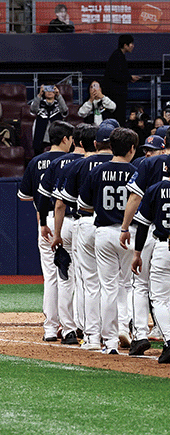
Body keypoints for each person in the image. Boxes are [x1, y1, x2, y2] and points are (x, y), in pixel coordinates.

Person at [120, 126, 170, 355]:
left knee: (141, 286)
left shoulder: (147, 163)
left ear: (164, 142)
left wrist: (125, 227)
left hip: (150, 230)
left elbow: (134, 196)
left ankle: (140, 335)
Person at [77, 127, 139, 355]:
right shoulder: (136, 170)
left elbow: (84, 205)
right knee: (128, 286)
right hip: (128, 233)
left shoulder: (97, 171)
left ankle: (110, 341)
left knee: (108, 288)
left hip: (103, 232)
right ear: (132, 148)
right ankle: (126, 328)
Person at [131, 151, 170, 363]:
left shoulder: (154, 188)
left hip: (163, 246)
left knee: (160, 298)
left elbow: (142, 224)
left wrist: (138, 253)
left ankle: (169, 343)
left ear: (166, 169)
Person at [59, 124, 115, 350]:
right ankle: (117, 333)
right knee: (118, 285)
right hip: (118, 227)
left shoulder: (78, 165)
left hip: (84, 222)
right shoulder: (130, 167)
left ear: (92, 143)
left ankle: (91, 336)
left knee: (89, 282)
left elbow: (66, 201)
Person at [18, 121, 73, 342]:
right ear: (65, 139)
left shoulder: (36, 162)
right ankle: (71, 327)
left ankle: (50, 328)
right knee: (71, 277)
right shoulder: (74, 161)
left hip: (47, 222)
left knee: (51, 277)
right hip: (69, 220)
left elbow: (24, 195)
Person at [103, 34, 141, 124]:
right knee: (118, 118)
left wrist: (129, 78)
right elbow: (116, 75)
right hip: (115, 95)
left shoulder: (119, 55)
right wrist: (129, 77)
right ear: (125, 45)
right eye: (131, 44)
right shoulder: (117, 56)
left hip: (118, 94)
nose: (133, 46)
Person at [30, 84, 68, 155]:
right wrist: (39, 95)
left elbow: (64, 110)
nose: (49, 92)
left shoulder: (58, 104)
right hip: (41, 137)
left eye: (52, 89)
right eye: (47, 89)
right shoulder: (39, 103)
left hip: (56, 136)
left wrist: (58, 95)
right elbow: (33, 109)